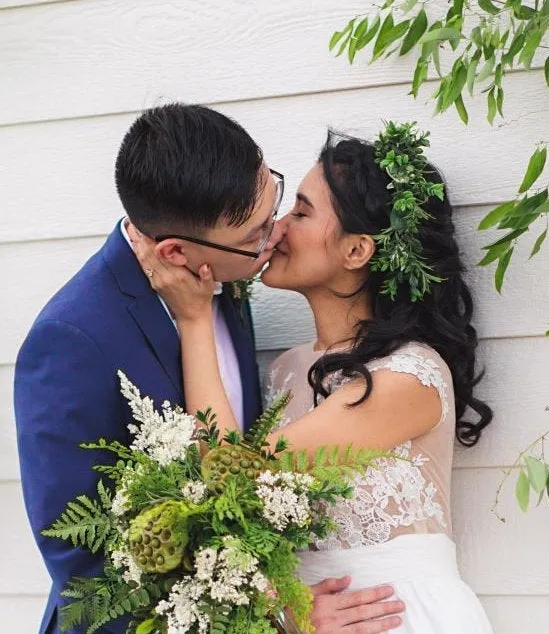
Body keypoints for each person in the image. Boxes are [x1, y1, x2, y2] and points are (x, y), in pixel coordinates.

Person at [14, 103, 401, 634]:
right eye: (254, 237)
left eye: (276, 204)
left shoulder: (224, 278)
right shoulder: (72, 338)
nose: (275, 238)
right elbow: (83, 564)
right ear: (176, 251)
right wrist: (275, 615)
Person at [132, 123, 495, 633]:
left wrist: (195, 320)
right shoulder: (286, 370)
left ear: (356, 251)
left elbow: (231, 476)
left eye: (301, 211)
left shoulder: (407, 376)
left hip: (400, 617)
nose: (277, 227)